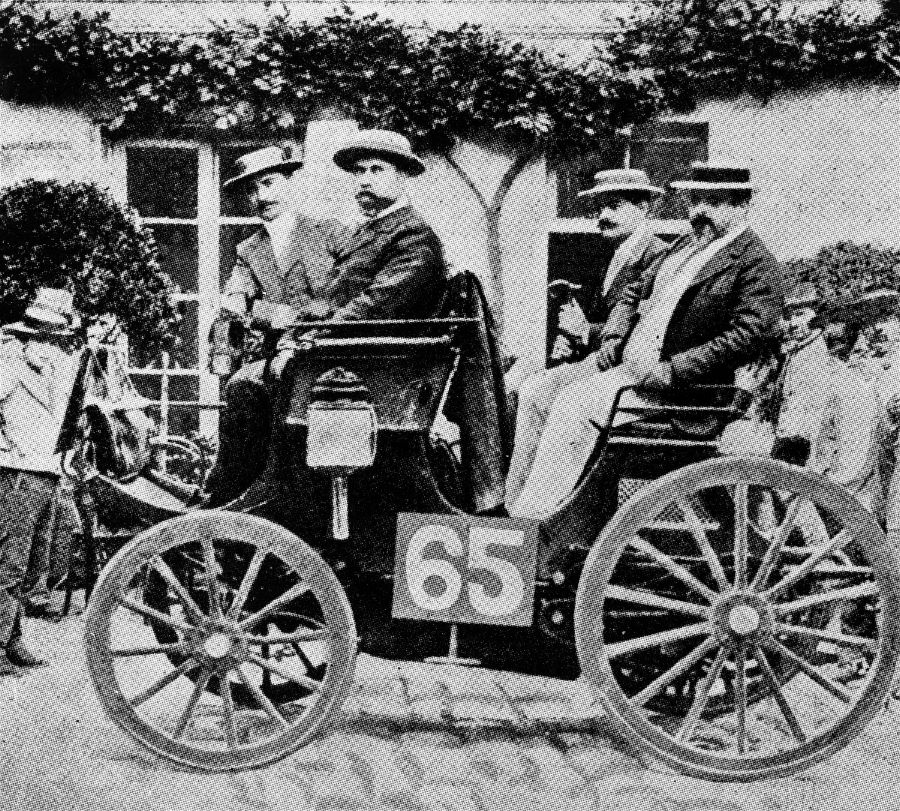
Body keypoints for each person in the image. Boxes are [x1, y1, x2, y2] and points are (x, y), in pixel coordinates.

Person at [510, 163, 783, 518]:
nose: (699, 210)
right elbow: (635, 289)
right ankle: (514, 510)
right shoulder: (689, 245)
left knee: (572, 405)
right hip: (633, 373)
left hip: (684, 390)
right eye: (695, 200)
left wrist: (673, 370)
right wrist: (613, 335)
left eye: (713, 202)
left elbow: (749, 334)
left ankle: (534, 522)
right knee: (541, 395)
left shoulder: (756, 264)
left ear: (742, 206)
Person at [205, 131, 449, 504]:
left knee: (250, 386)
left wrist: (304, 337)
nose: (365, 180)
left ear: (403, 175)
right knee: (246, 384)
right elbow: (240, 304)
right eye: (359, 172)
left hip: (354, 364)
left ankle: (256, 495)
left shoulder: (403, 234)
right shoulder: (372, 231)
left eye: (376, 170)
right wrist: (282, 325)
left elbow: (371, 305)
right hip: (326, 351)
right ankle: (237, 492)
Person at [505, 169, 670, 506]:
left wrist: (586, 333)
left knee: (540, 391)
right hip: (602, 360)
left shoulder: (658, 257)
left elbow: (646, 329)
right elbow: (603, 321)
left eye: (615, 205)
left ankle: (534, 506)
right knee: (528, 386)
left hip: (626, 369)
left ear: (645, 209)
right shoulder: (613, 253)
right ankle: (518, 500)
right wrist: (576, 338)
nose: (603, 216)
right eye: (599, 208)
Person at [0, 288, 81, 675]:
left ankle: (14, 641)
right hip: (15, 474)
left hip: (47, 474)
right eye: (41, 339)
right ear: (25, 337)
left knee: (35, 569)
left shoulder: (57, 371)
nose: (48, 348)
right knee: (9, 567)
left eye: (54, 340)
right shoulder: (7, 365)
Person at [772, 283, 884, 518]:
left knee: (787, 495)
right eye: (789, 316)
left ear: (818, 319)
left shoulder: (817, 358)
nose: (793, 323)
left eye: (800, 314)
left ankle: (816, 546)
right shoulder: (798, 353)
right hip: (807, 452)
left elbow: (812, 421)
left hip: (822, 460)